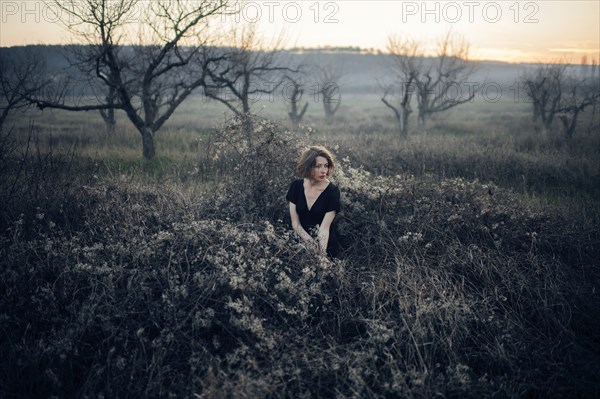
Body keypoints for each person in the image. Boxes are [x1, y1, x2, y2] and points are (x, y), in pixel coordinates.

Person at [286, 145, 341, 259]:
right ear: (308, 167)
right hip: (299, 240)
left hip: (325, 245)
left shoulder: (332, 191)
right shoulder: (296, 186)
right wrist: (310, 243)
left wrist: (321, 256)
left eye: (326, 166)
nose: (323, 171)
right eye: (318, 166)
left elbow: (324, 229)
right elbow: (295, 224)